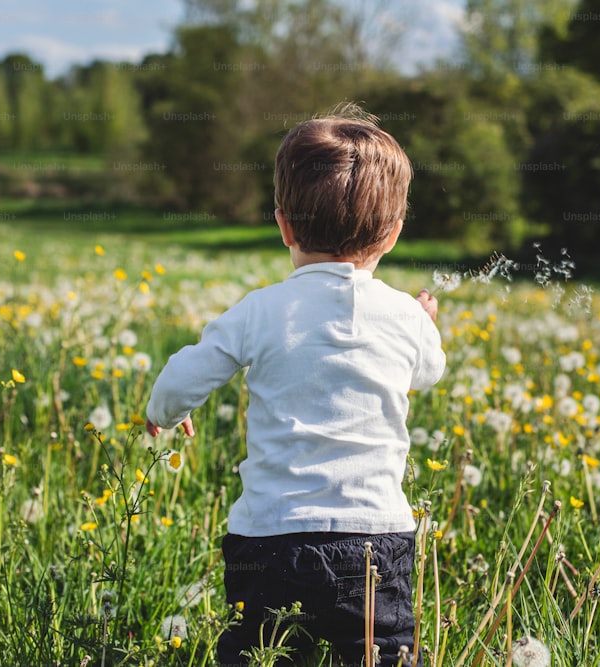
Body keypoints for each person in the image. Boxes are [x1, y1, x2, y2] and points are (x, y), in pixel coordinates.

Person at [145, 103, 446, 666]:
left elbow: (184, 372)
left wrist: (164, 410)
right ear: (395, 234)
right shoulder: (404, 314)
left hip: (270, 541)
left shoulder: (261, 309)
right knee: (379, 657)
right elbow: (428, 372)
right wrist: (425, 324)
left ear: (282, 223)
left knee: (259, 654)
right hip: (378, 541)